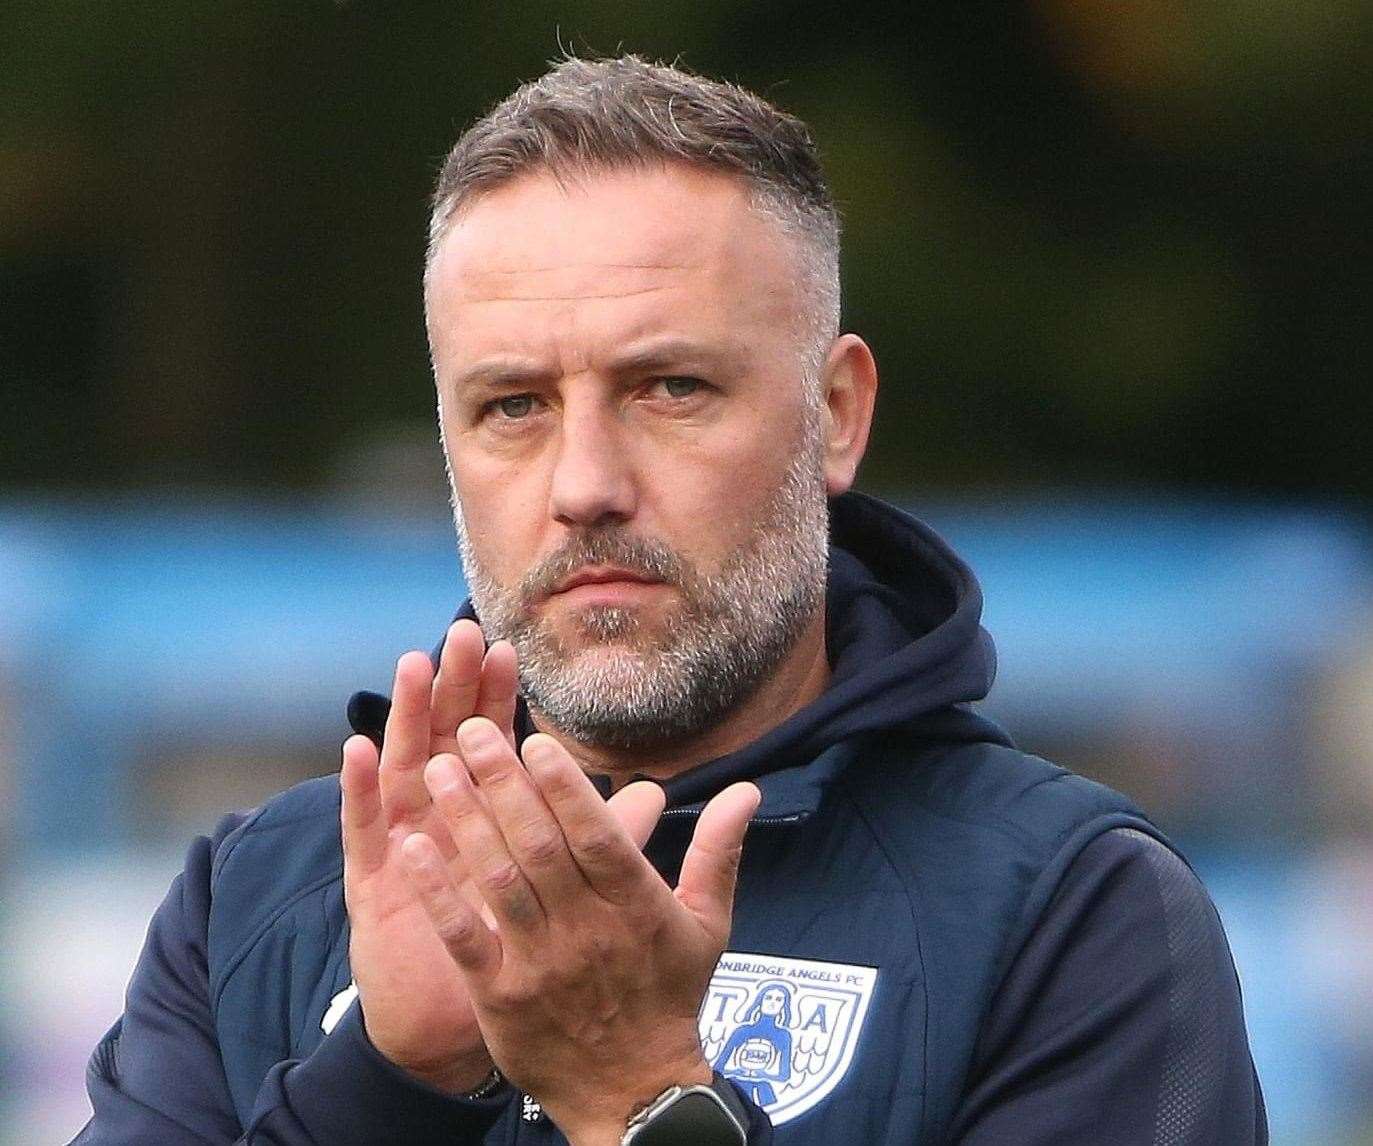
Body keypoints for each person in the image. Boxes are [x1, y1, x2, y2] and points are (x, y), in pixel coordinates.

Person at [74, 55, 1267, 1145]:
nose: (584, 486)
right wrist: (389, 1084)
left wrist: (639, 1097)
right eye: (512, 407)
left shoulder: (1071, 917)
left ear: (834, 414)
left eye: (670, 388)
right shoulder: (260, 898)